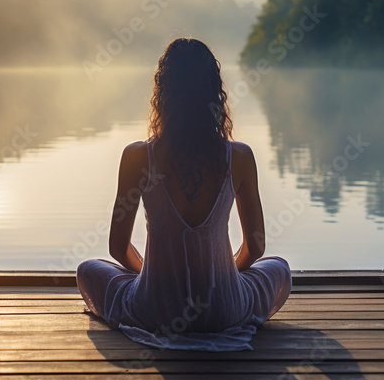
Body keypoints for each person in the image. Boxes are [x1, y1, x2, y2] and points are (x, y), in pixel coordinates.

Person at [76, 38, 291, 351]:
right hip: (224, 309)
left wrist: (152, 274)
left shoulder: (138, 157)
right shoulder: (239, 157)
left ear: (163, 94)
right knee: (280, 268)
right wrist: (224, 273)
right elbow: (256, 248)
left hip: (156, 311)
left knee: (87, 269)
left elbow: (117, 248)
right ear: (214, 93)